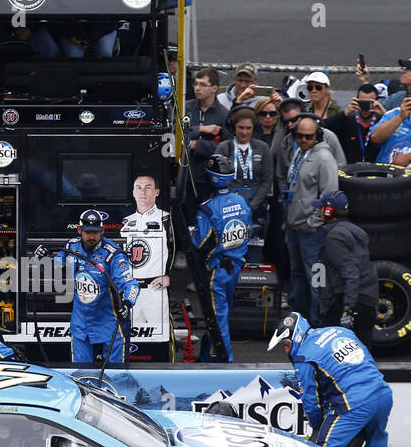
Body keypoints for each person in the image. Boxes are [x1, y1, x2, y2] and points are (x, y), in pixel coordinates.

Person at [268, 311, 392, 447]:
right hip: (383, 392)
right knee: (376, 441)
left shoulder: (304, 356)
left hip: (354, 404)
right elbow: (364, 357)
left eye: (285, 344)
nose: (285, 351)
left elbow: (311, 401)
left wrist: (317, 426)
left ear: (296, 336)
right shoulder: (339, 331)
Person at [36, 211, 138, 365]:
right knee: (80, 374)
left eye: (96, 232)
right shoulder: (71, 247)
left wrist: (127, 303)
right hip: (81, 324)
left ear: (102, 231)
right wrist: (42, 260)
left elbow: (131, 285)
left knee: (118, 375)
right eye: (87, 232)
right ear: (79, 230)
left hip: (110, 323)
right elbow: (55, 269)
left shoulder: (113, 254)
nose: (91, 236)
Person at [188, 155, 252, 362]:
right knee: (217, 316)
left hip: (217, 270)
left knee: (217, 318)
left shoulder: (208, 208)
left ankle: (226, 363)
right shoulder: (242, 201)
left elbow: (199, 241)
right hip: (236, 265)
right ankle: (206, 357)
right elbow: (248, 230)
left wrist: (190, 232)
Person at [279, 114, 339, 324]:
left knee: (316, 278)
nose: (303, 140)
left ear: (318, 135)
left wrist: (312, 224)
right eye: (299, 136)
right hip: (294, 227)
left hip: (311, 231)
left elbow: (330, 198)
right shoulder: (299, 151)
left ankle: (317, 322)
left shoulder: (324, 158)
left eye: (308, 136)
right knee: (297, 276)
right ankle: (299, 319)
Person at [316, 190, 379, 349]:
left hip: (354, 301)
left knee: (327, 349)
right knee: (361, 355)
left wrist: (348, 310)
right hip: (366, 299)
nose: (319, 211)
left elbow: (351, 273)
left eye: (321, 207)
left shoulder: (335, 236)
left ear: (329, 211)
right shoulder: (351, 231)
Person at [119, 174, 176, 352]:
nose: (143, 192)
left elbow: (177, 250)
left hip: (155, 290)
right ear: (133, 192)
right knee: (129, 341)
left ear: (157, 192)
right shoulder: (126, 222)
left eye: (148, 187)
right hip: (131, 290)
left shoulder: (166, 218)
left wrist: (169, 276)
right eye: (139, 187)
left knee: (160, 341)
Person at [323, 84, 384, 164]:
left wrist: (384, 114)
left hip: (375, 170)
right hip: (350, 170)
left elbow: (398, 134)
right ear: (356, 101)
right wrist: (345, 113)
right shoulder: (347, 121)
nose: (365, 108)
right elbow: (323, 126)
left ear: (376, 102)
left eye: (369, 103)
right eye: (362, 103)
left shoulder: (382, 123)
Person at [184, 67, 230, 168]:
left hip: (210, 172)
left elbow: (227, 148)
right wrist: (201, 129)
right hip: (184, 171)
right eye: (195, 84)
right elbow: (175, 132)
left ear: (214, 88)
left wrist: (197, 145)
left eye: (203, 85)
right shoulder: (186, 107)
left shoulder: (224, 114)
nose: (197, 88)